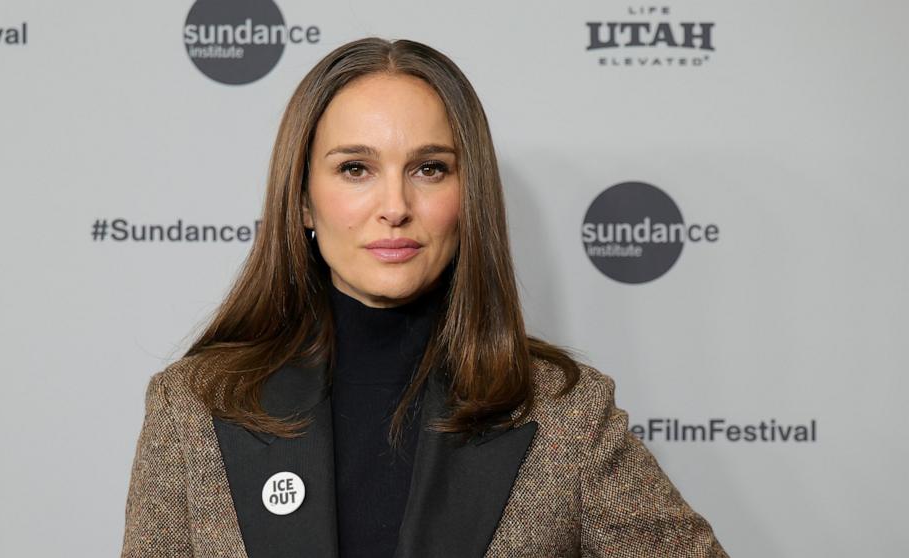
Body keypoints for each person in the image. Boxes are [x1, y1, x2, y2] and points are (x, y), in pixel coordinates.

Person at [121, 37, 729, 558]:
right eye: (355, 168)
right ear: (303, 200)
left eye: (429, 169)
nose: (395, 207)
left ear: (470, 196)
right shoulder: (192, 407)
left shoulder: (565, 414)